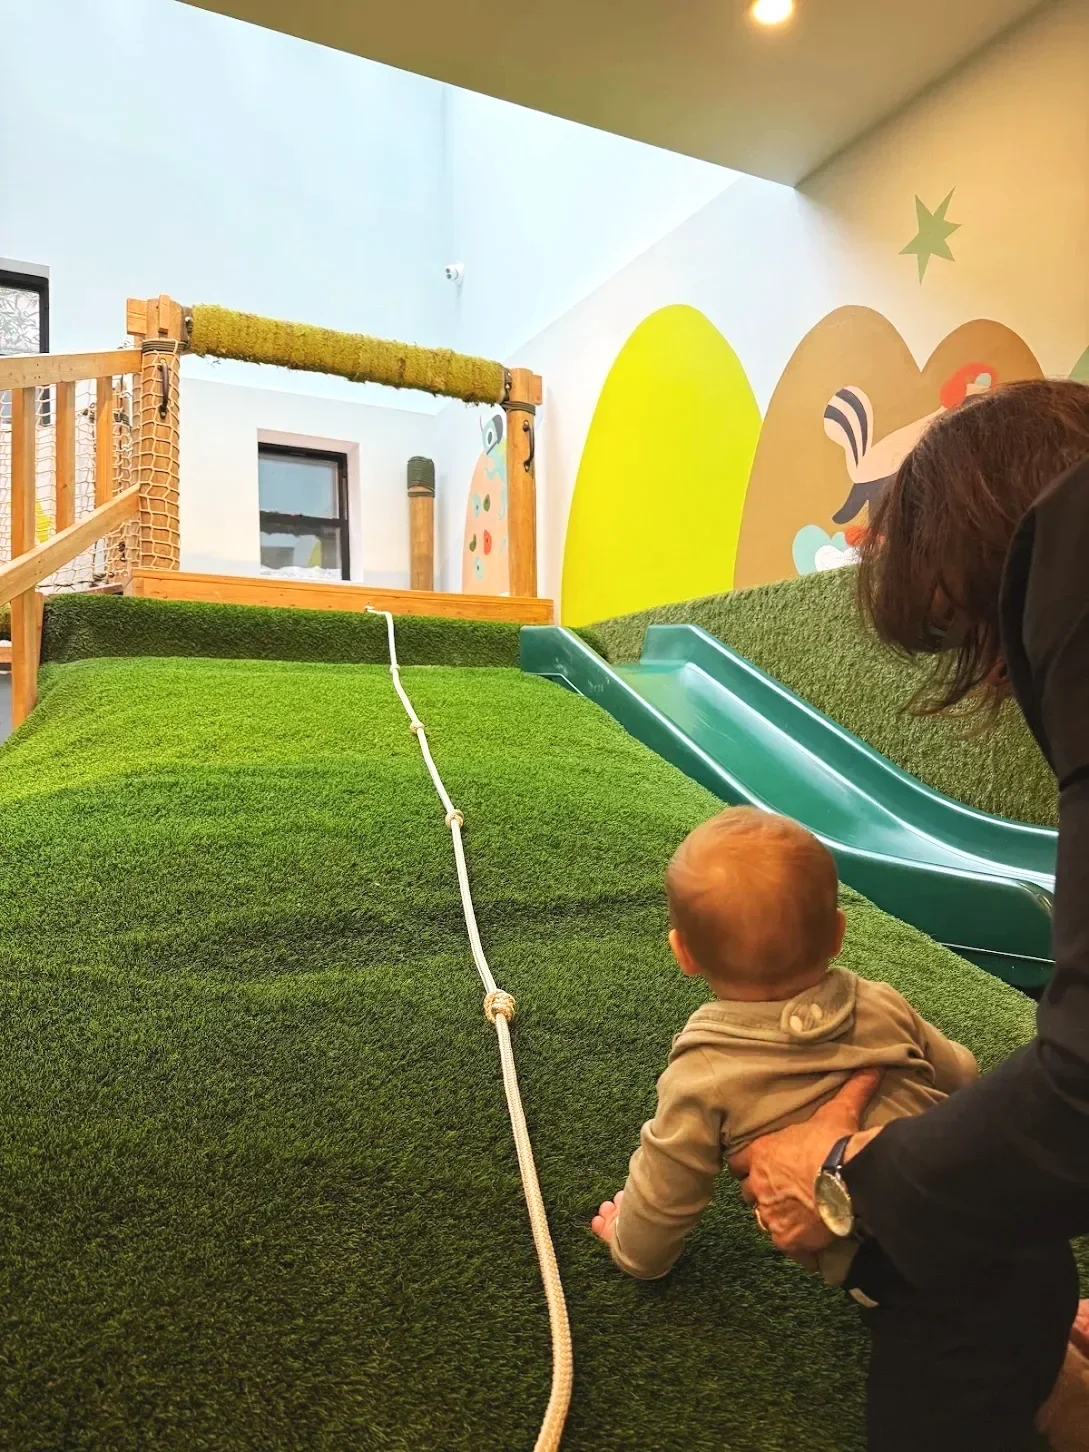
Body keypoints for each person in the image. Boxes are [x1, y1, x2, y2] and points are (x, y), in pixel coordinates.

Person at [730, 378, 1089, 1450]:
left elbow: (1081, 1093)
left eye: (970, 633)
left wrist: (851, 1181)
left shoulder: (1073, 569)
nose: (995, 673)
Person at [589, 807, 981, 1296]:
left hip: (901, 1273)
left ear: (682, 953)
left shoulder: (705, 1070)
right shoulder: (882, 1003)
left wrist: (633, 1250)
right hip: (988, 1198)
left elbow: (669, 1187)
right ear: (838, 933)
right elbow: (961, 1074)